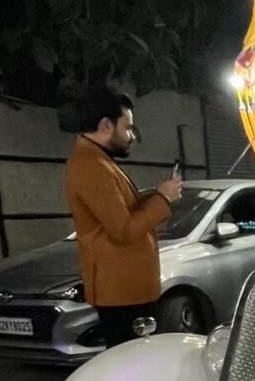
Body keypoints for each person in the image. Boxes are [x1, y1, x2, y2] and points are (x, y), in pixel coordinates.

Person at [64, 86, 183, 348]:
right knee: (130, 365)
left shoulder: (98, 161)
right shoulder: (91, 165)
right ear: (106, 125)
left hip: (126, 288)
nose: (131, 137)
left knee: (136, 362)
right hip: (121, 292)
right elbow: (124, 230)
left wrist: (158, 195)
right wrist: (162, 199)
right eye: (127, 128)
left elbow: (123, 212)